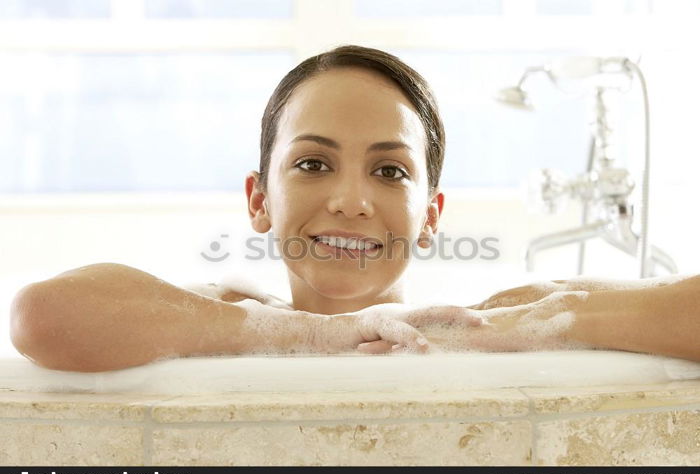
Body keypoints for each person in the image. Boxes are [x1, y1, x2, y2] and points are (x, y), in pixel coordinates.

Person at [9, 45, 700, 373]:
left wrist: (532, 326)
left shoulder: (500, 319)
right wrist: (313, 337)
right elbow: (43, 317)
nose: (349, 199)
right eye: (312, 163)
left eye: (389, 170)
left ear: (430, 216)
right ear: (259, 200)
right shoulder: (216, 309)